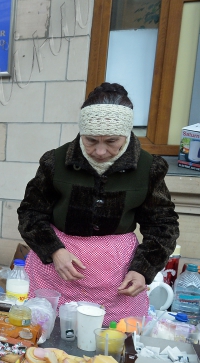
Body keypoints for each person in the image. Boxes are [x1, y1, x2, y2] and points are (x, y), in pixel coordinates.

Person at [17, 82, 180, 322]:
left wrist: (142, 269)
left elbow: (162, 225)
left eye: (111, 141)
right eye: (91, 140)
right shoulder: (55, 162)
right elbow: (31, 213)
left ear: (126, 134)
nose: (100, 151)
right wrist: (55, 251)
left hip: (117, 278)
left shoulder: (148, 168)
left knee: (110, 342)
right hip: (56, 271)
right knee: (48, 335)